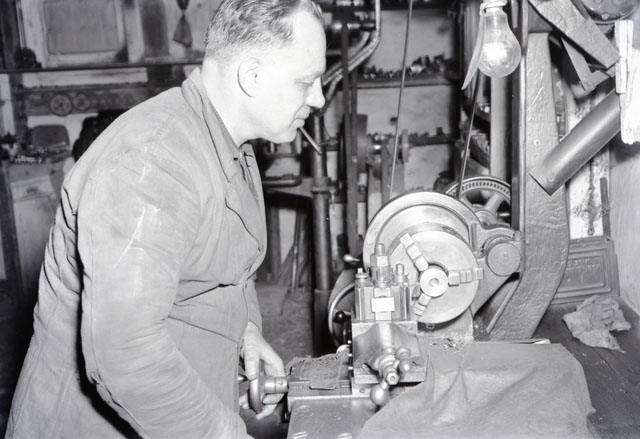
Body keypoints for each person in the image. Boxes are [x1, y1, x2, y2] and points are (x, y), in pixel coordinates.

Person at [6, 0, 326, 437]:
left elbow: (234, 268)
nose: (318, 98)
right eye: (306, 82)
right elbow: (126, 354)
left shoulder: (233, 147)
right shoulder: (152, 162)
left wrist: (247, 330)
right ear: (251, 76)